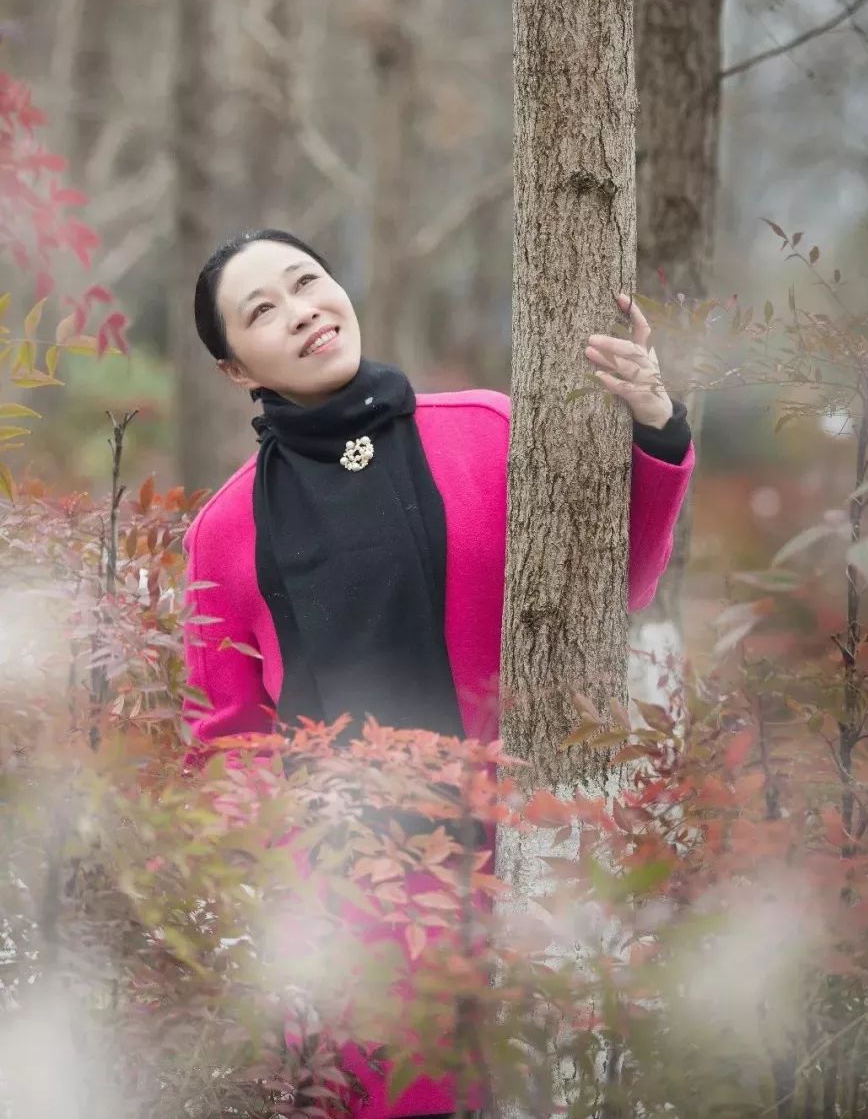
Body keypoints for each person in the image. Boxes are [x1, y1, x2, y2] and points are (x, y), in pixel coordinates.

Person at [181, 228, 696, 1119]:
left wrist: (657, 425)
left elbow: (613, 587)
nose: (302, 310)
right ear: (236, 370)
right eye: (262, 310)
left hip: (536, 848)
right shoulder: (224, 533)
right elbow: (227, 743)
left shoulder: (486, 431)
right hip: (367, 910)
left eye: (309, 281)